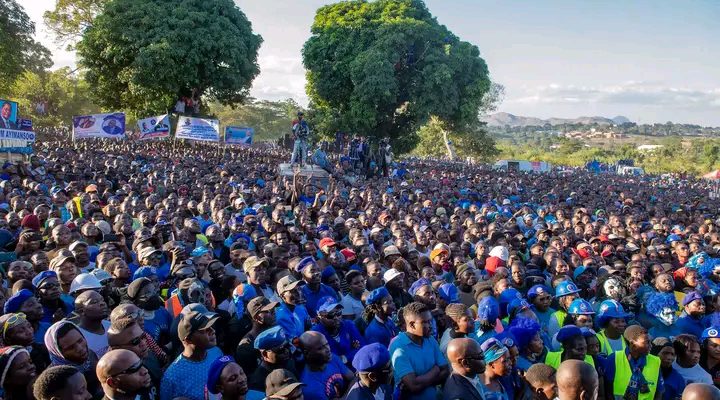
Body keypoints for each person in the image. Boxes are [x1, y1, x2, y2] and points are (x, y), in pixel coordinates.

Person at [389, 302, 449, 400]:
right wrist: (435, 370)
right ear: (412, 325)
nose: (431, 326)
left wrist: (422, 381)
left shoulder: (430, 339)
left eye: (430, 321)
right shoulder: (399, 347)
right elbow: (414, 385)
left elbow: (445, 371)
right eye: (425, 322)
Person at [160, 309, 223, 400]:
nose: (212, 331)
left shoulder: (216, 352)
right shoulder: (171, 377)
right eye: (204, 329)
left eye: (211, 326)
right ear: (188, 340)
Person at [603, 324, 663, 400]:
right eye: (647, 342)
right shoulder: (614, 358)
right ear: (633, 344)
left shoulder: (655, 361)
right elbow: (608, 390)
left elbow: (659, 391)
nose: (651, 345)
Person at [298, 330, 353, 400]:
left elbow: (352, 378)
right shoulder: (309, 387)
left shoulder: (331, 357)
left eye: (326, 344)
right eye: (320, 348)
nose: (328, 349)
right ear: (306, 353)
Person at [310, 296, 365, 365]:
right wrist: (352, 351)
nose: (336, 318)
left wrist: (345, 358)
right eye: (331, 315)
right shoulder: (315, 335)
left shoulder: (348, 324)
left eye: (338, 313)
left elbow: (362, 348)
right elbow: (324, 362)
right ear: (319, 317)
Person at [248, 326, 296, 392]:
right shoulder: (258, 382)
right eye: (281, 350)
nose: (286, 351)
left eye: (287, 346)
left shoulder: (289, 363)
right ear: (265, 354)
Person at [275, 276, 311, 341]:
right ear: (282, 295)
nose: (298, 293)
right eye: (293, 291)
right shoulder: (282, 316)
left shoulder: (300, 307)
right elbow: (294, 341)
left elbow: (309, 325)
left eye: (299, 289)